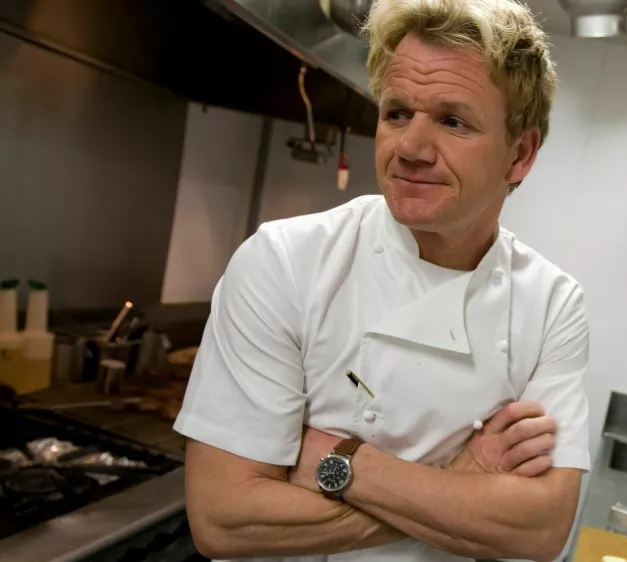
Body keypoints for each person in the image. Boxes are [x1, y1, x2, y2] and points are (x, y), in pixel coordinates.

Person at [174, 0, 590, 560]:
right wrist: (462, 486)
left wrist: (340, 462)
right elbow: (223, 519)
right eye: (396, 113)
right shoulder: (285, 261)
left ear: (520, 154)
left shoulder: (552, 305)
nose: (410, 148)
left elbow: (540, 530)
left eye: (452, 121)